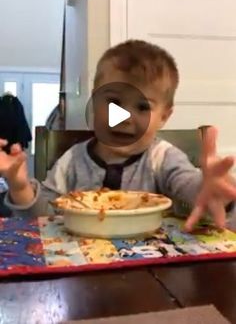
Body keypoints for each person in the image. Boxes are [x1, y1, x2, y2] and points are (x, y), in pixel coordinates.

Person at [0, 40, 236, 231]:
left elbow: (190, 188)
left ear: (164, 116)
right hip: (80, 274)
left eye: (143, 107)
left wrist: (214, 191)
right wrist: (20, 188)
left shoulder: (162, 159)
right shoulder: (72, 161)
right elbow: (46, 218)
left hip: (151, 275)